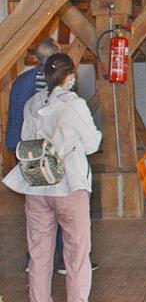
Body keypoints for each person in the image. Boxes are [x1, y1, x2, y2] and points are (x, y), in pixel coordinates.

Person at [3, 53, 102, 302]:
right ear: (69, 76)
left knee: (39, 255)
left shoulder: (32, 103)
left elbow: (26, 141)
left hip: (37, 187)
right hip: (69, 186)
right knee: (76, 256)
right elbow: (91, 145)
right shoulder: (73, 104)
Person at [3, 39, 73, 275]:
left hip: (25, 152)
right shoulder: (56, 85)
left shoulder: (22, 81)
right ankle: (64, 260)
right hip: (50, 153)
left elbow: (13, 117)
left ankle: (34, 259)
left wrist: (14, 149)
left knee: (36, 209)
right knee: (61, 204)